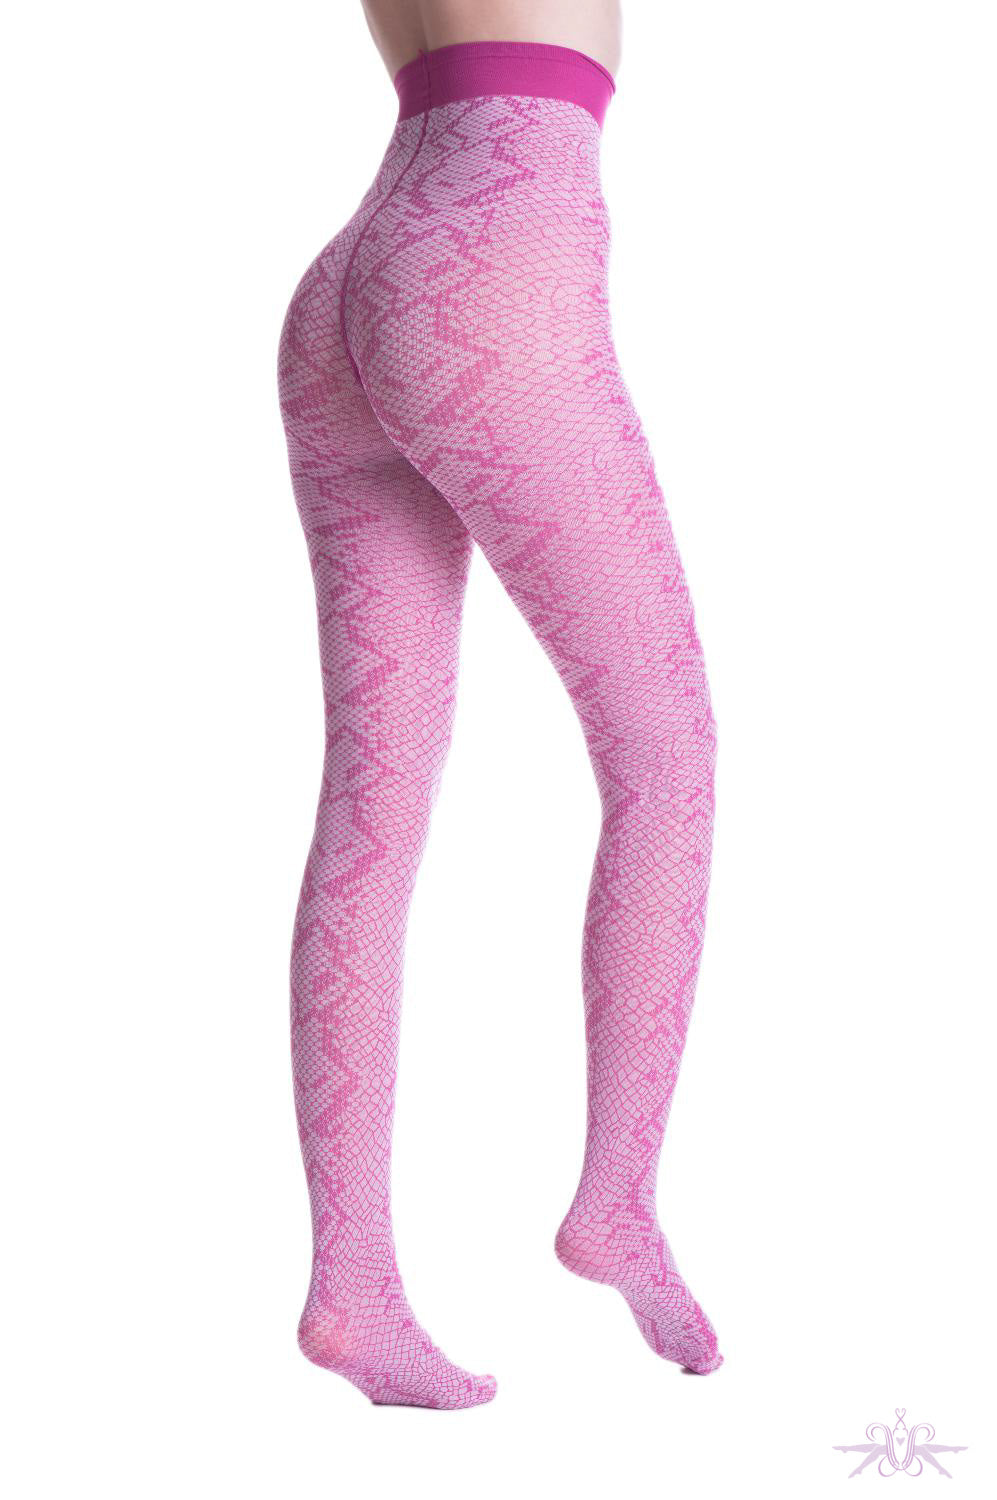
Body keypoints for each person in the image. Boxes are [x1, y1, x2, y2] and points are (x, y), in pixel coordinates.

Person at [277, 0, 722, 1409]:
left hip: (358, 279)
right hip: (492, 269)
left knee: (373, 803)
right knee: (666, 758)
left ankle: (351, 1288)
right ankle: (618, 1200)